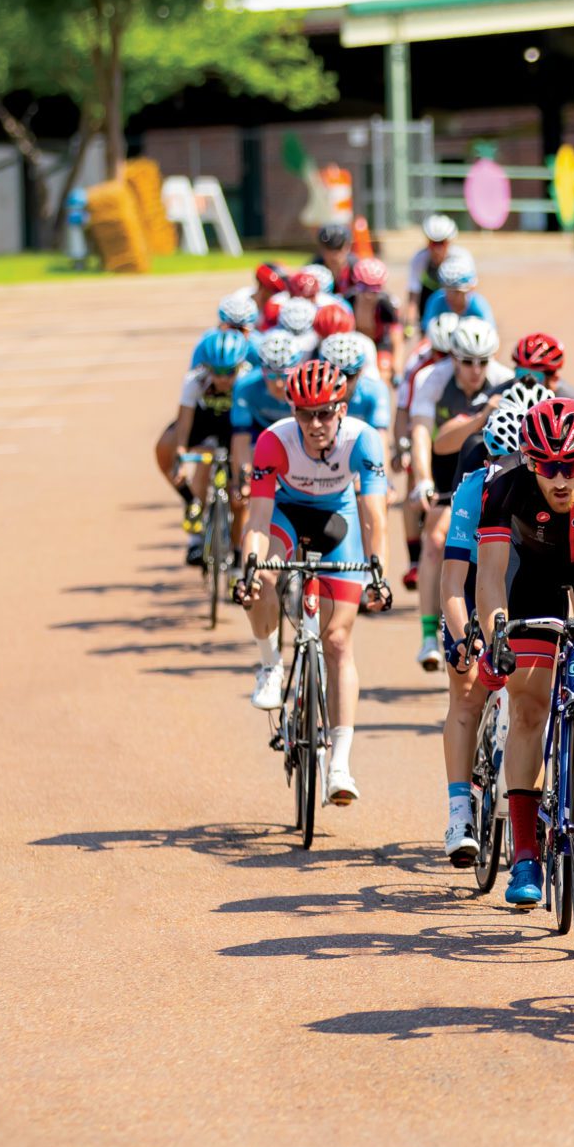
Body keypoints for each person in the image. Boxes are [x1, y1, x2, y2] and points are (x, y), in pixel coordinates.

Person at [476, 399, 574, 909]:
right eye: (546, 467)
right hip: (533, 581)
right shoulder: (504, 488)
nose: (560, 479)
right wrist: (497, 634)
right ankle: (524, 853)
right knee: (526, 706)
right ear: (529, 461)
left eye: (570, 466)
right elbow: (492, 577)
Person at [235, 358, 392, 803]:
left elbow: (373, 513)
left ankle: (339, 764)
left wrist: (376, 570)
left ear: (341, 408)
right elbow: (259, 519)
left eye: (326, 412)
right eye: (306, 413)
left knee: (338, 640)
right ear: (293, 410)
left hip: (336, 521)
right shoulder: (274, 441)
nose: (316, 423)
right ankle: (269, 663)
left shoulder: (363, 439)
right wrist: (250, 569)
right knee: (264, 578)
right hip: (286, 513)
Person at [435, 383, 547, 863]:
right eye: (492, 458)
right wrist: (465, 638)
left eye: (511, 460)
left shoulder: (543, 493)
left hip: (523, 596)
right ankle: (460, 810)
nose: (499, 472)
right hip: (476, 596)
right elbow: (453, 584)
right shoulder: (472, 493)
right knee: (466, 692)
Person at [407, 319, 513, 670]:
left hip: (485, 459)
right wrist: (421, 479)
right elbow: (423, 436)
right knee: (436, 540)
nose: (475, 370)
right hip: (444, 463)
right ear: (453, 358)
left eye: (482, 361)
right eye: (467, 361)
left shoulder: (503, 378)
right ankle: (426, 635)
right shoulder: (431, 379)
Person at [154, 328, 251, 564]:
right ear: (206, 367)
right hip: (203, 421)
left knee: (237, 491)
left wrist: (241, 470)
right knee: (164, 449)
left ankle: (238, 553)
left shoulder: (247, 380)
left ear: (239, 366)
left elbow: (245, 430)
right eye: (216, 372)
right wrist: (180, 456)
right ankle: (192, 505)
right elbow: (184, 422)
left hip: (235, 425)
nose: (223, 378)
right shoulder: (195, 380)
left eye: (229, 372)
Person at [227, 328, 304, 481]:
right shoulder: (245, 387)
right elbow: (241, 439)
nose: (279, 383)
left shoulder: (308, 387)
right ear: (262, 371)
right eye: (271, 375)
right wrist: (243, 477)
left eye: (285, 375)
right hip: (259, 433)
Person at [316, 331, 393, 433]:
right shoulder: (312, 390)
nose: (342, 382)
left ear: (360, 372)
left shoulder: (375, 391)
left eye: (349, 376)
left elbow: (381, 439)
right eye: (334, 376)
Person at [419, 255, 496, 330]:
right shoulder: (436, 301)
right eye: (447, 290)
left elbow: (491, 333)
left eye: (457, 292)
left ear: (470, 289)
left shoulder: (479, 305)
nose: (451, 296)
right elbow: (426, 333)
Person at [409, 215, 472, 297]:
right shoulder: (419, 258)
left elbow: (470, 293)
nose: (437, 249)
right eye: (433, 243)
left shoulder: (462, 257)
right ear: (427, 242)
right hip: (428, 301)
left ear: (449, 242)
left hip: (454, 301)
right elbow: (413, 295)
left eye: (442, 243)